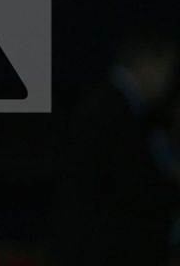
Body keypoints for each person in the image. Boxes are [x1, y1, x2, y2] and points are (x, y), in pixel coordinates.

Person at [52, 25, 179, 265]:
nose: (169, 78)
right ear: (147, 64)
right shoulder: (113, 111)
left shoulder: (114, 106)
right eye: (168, 68)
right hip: (104, 253)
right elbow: (131, 187)